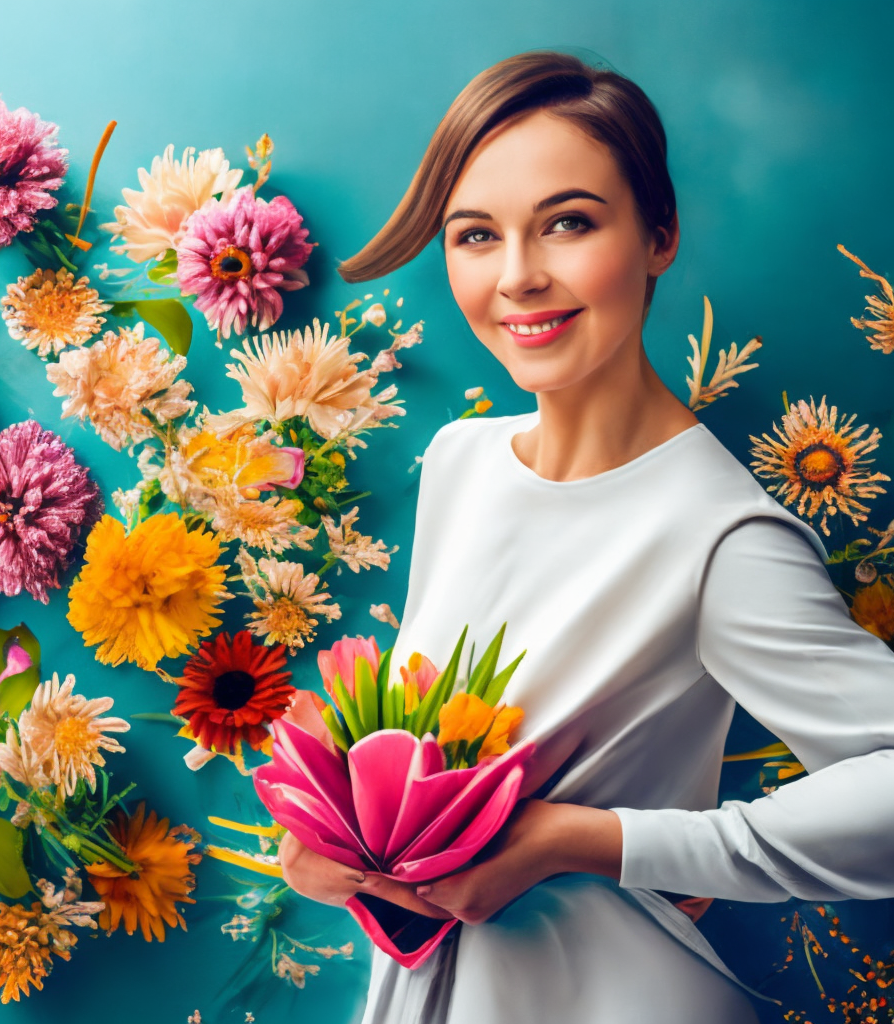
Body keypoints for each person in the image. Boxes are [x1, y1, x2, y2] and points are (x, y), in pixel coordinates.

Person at [278, 51, 894, 1023]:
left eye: (568, 222)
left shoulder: (717, 536)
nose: (519, 276)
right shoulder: (458, 462)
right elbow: (437, 757)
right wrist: (338, 842)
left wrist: (590, 838)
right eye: (475, 234)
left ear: (659, 235)